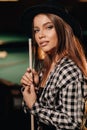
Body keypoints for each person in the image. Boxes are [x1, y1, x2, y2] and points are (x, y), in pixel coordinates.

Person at [20, 2, 87, 130]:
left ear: (62, 29)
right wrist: (32, 89)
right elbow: (29, 109)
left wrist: (35, 106)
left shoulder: (69, 70)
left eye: (49, 27)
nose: (40, 35)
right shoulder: (46, 68)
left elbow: (73, 123)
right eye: (36, 30)